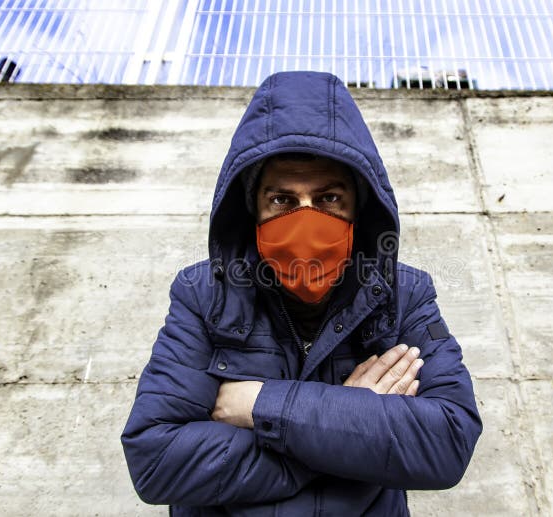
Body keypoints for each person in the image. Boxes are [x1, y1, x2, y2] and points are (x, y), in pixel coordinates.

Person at [121, 71, 481, 516]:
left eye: (329, 199)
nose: (306, 221)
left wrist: (260, 405)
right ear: (251, 209)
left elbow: (447, 442)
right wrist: (350, 426)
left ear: (360, 207)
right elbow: (156, 461)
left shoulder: (403, 295)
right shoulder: (203, 295)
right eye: (283, 201)